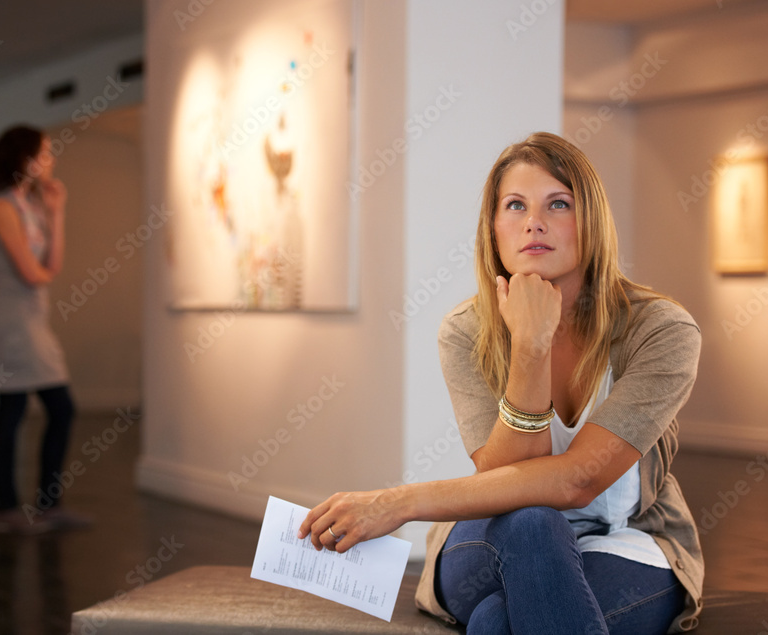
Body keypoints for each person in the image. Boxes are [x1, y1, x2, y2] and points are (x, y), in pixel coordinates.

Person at [298, 132, 703, 633]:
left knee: (496, 620)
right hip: (494, 534)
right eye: (515, 205)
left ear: (591, 221)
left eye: (558, 204)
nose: (534, 221)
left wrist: (398, 503)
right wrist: (529, 345)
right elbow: (510, 482)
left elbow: (578, 481)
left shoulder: (662, 331)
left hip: (626, 539)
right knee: (534, 523)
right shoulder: (465, 330)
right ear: (493, 229)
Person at [0, 125, 89, 534]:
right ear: (23, 158)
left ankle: (46, 504)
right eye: (44, 152)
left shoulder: (32, 205)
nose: (51, 159)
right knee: (22, 409)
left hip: (31, 319)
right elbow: (31, 272)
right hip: (9, 322)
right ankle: (10, 508)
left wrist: (57, 210)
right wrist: (41, 271)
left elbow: (51, 266)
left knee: (45, 409)